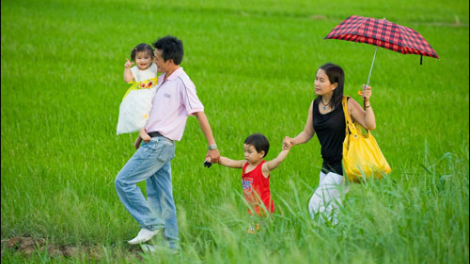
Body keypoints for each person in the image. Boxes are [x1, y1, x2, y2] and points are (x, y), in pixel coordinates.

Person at [115, 36, 220, 250]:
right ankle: (171, 248)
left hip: (160, 145)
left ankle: (151, 223)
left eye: (157, 58)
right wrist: (141, 134)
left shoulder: (182, 82)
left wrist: (212, 147)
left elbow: (199, 113)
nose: (154, 61)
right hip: (153, 141)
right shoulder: (162, 78)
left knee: (123, 181)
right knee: (162, 197)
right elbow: (157, 111)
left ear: (170, 61)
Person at [283, 63, 376, 225]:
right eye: (316, 79)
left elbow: (370, 125)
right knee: (332, 210)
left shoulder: (347, 104)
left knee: (315, 205)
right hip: (327, 164)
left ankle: (320, 238)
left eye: (321, 80)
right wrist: (293, 141)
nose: (316, 83)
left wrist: (366, 102)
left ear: (334, 85)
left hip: (344, 166)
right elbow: (307, 132)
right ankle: (337, 244)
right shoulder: (315, 105)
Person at [214, 133, 291, 232]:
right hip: (252, 211)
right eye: (245, 151)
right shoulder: (245, 164)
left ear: (261, 154)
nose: (246, 154)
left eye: (249, 152)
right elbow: (230, 162)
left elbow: (278, 160)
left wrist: (286, 149)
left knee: (255, 234)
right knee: (255, 234)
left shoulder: (264, 168)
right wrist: (217, 159)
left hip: (263, 212)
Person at [122, 43, 156, 141]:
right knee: (141, 112)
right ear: (134, 59)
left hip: (152, 94)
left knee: (152, 114)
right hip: (140, 96)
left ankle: (146, 132)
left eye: (146, 58)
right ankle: (141, 132)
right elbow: (128, 80)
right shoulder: (135, 70)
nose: (142, 60)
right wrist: (127, 68)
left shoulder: (154, 67)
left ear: (152, 59)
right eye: (139, 58)